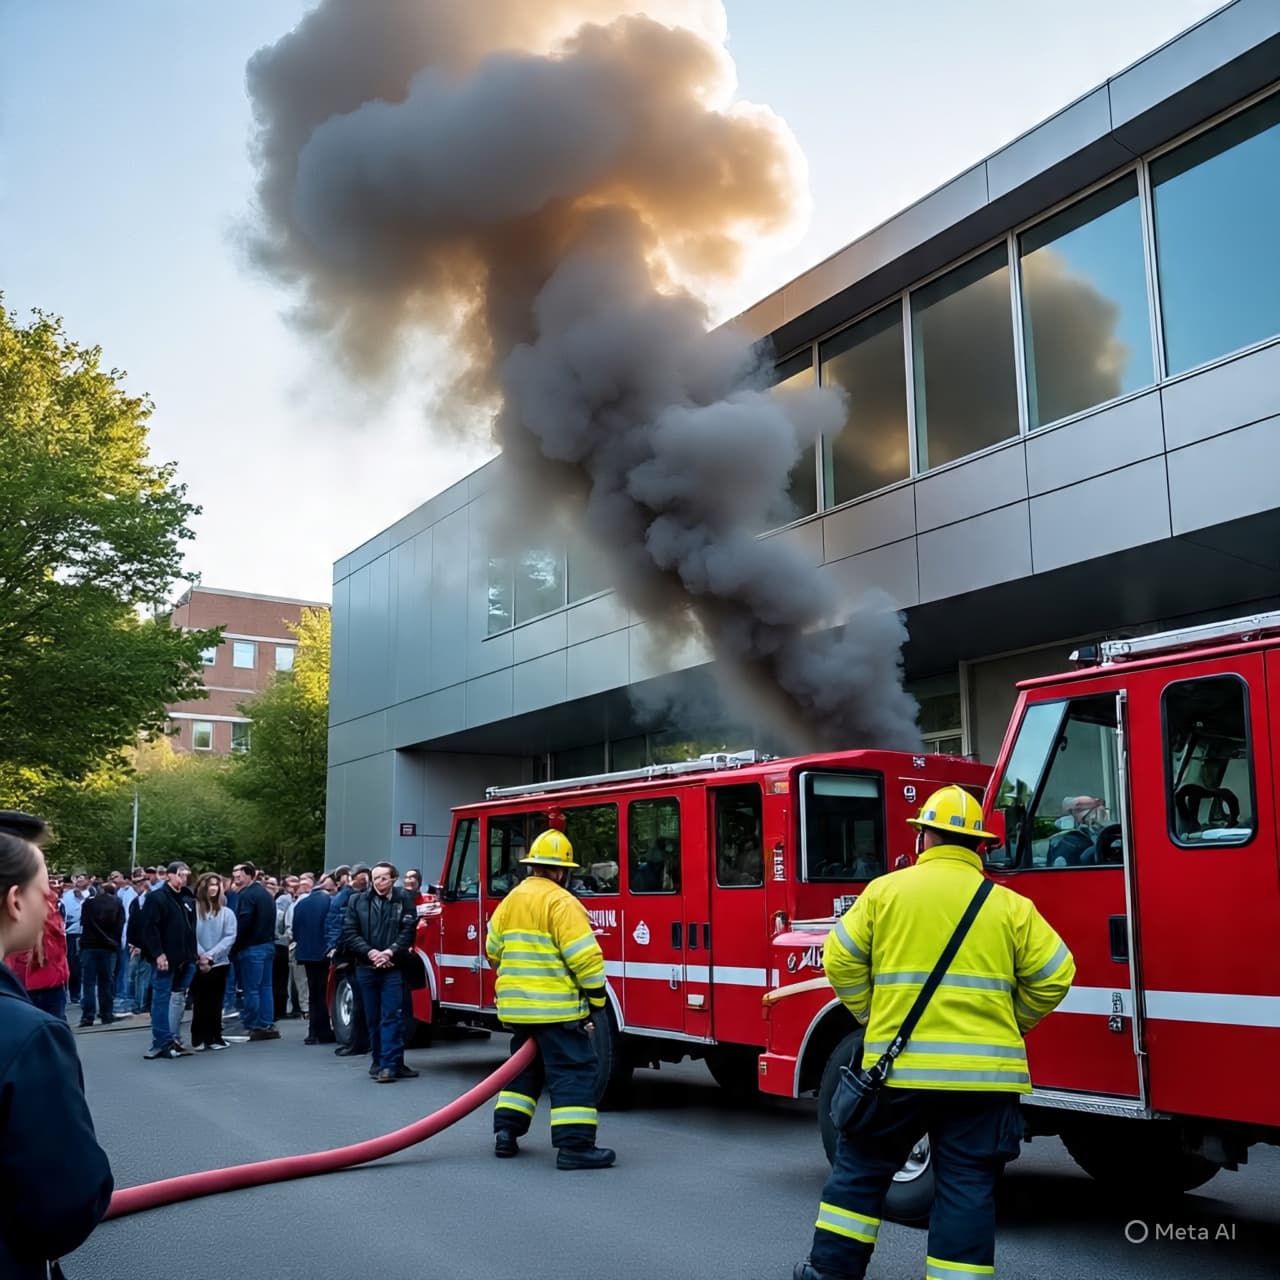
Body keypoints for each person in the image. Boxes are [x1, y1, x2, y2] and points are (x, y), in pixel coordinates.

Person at [793, 785, 1075, 1280]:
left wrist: (874, 1013)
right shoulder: (1010, 906)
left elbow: (838, 958)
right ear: (980, 847)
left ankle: (830, 1273)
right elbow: (1056, 974)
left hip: (898, 1072)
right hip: (984, 1082)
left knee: (861, 1170)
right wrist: (1012, 1021)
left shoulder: (885, 891)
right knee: (967, 1185)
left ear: (923, 838)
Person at [0, 814, 114, 1279]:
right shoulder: (28, 1037)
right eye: (44, 893)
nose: (51, 905)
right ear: (14, 900)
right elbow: (70, 1199)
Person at [487, 829, 614, 1170]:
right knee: (573, 1070)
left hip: (517, 1009)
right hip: (556, 1010)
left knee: (523, 1069)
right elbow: (585, 958)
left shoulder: (511, 899)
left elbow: (492, 949)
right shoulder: (562, 902)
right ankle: (575, 1147)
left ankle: (505, 1134)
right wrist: (597, 1001)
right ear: (561, 871)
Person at [341, 862, 418, 1083]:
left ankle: (389, 1065)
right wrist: (372, 952)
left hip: (393, 967)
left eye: (383, 878)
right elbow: (350, 932)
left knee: (391, 1016)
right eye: (375, 878)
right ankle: (379, 1061)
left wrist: (389, 952)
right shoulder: (358, 900)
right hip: (366, 966)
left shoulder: (404, 899)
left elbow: (408, 931)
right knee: (373, 1018)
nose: (378, 882)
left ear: (393, 879)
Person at [139, 860, 198, 1060]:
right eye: (180, 874)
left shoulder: (186, 898)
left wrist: (193, 954)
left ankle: (173, 1037)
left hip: (186, 956)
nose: (184, 877)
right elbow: (150, 928)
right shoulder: (157, 898)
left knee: (178, 998)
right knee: (161, 998)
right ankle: (161, 1041)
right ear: (170, 875)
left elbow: (191, 927)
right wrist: (158, 953)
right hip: (167, 957)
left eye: (186, 874)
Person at [230, 861, 279, 1042]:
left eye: (239, 876)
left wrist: (234, 946)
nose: (236, 880)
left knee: (252, 989)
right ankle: (266, 1023)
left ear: (249, 875)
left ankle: (253, 1025)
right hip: (267, 945)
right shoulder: (266, 895)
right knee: (265, 987)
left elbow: (243, 923)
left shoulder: (247, 895)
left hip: (251, 947)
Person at [191, 872, 237, 1050]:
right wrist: (201, 955)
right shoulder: (193, 910)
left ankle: (214, 1037)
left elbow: (229, 937)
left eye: (216, 885)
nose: (213, 888)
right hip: (197, 963)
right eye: (210, 884)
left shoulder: (227, 913)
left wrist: (211, 955)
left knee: (215, 1002)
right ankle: (199, 1038)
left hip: (219, 963)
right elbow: (190, 935)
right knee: (199, 1002)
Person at [293, 873, 336, 1044]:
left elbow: (295, 931)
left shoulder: (301, 904)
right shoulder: (330, 902)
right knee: (324, 992)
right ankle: (324, 1031)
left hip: (306, 953)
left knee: (313, 993)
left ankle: (313, 1032)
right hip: (323, 953)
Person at [78, 881, 126, 1027]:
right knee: (106, 981)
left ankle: (88, 1016)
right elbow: (120, 924)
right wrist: (115, 941)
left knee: (89, 982)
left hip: (89, 945)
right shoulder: (117, 904)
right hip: (108, 946)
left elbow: (84, 922)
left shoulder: (88, 903)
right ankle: (106, 1014)